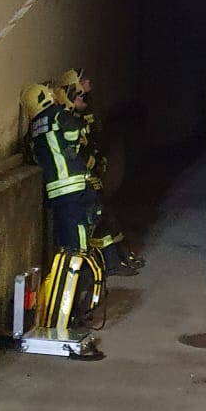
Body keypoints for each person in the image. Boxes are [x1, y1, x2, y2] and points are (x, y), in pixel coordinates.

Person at [59, 68, 144, 274]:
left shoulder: (83, 114)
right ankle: (113, 263)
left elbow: (95, 139)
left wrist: (99, 161)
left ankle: (121, 258)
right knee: (100, 219)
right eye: (79, 92)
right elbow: (77, 151)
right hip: (80, 180)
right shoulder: (67, 120)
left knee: (105, 218)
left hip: (89, 175)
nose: (86, 89)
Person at [20, 80, 93, 254]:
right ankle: (80, 261)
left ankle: (66, 260)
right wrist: (72, 147)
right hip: (72, 182)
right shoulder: (57, 114)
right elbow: (73, 132)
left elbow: (31, 153)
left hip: (53, 189)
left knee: (63, 228)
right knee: (78, 225)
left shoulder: (33, 128)